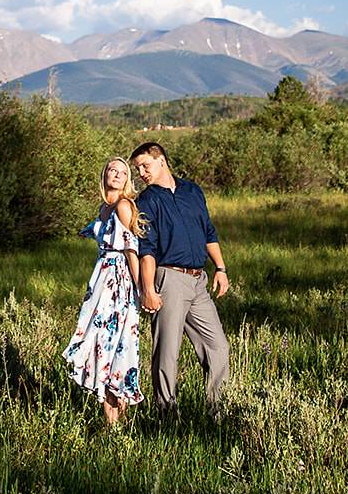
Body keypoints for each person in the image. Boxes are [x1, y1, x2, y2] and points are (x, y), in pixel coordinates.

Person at [130, 141, 230, 410]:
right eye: (138, 168)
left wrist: (220, 268)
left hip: (199, 281)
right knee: (167, 352)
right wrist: (148, 290)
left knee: (218, 347)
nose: (141, 173)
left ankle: (217, 410)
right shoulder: (147, 200)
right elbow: (146, 249)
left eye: (145, 166)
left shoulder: (192, 191)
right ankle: (166, 414)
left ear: (161, 160)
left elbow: (208, 231)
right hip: (169, 280)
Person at [62, 157, 144, 425]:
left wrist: (141, 289)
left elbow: (132, 248)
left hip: (119, 282)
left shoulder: (123, 205)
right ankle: (112, 425)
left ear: (128, 179)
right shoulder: (104, 207)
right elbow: (103, 233)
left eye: (123, 172)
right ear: (104, 175)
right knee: (99, 344)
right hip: (101, 281)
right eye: (113, 170)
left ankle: (117, 424)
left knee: (117, 346)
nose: (118, 175)